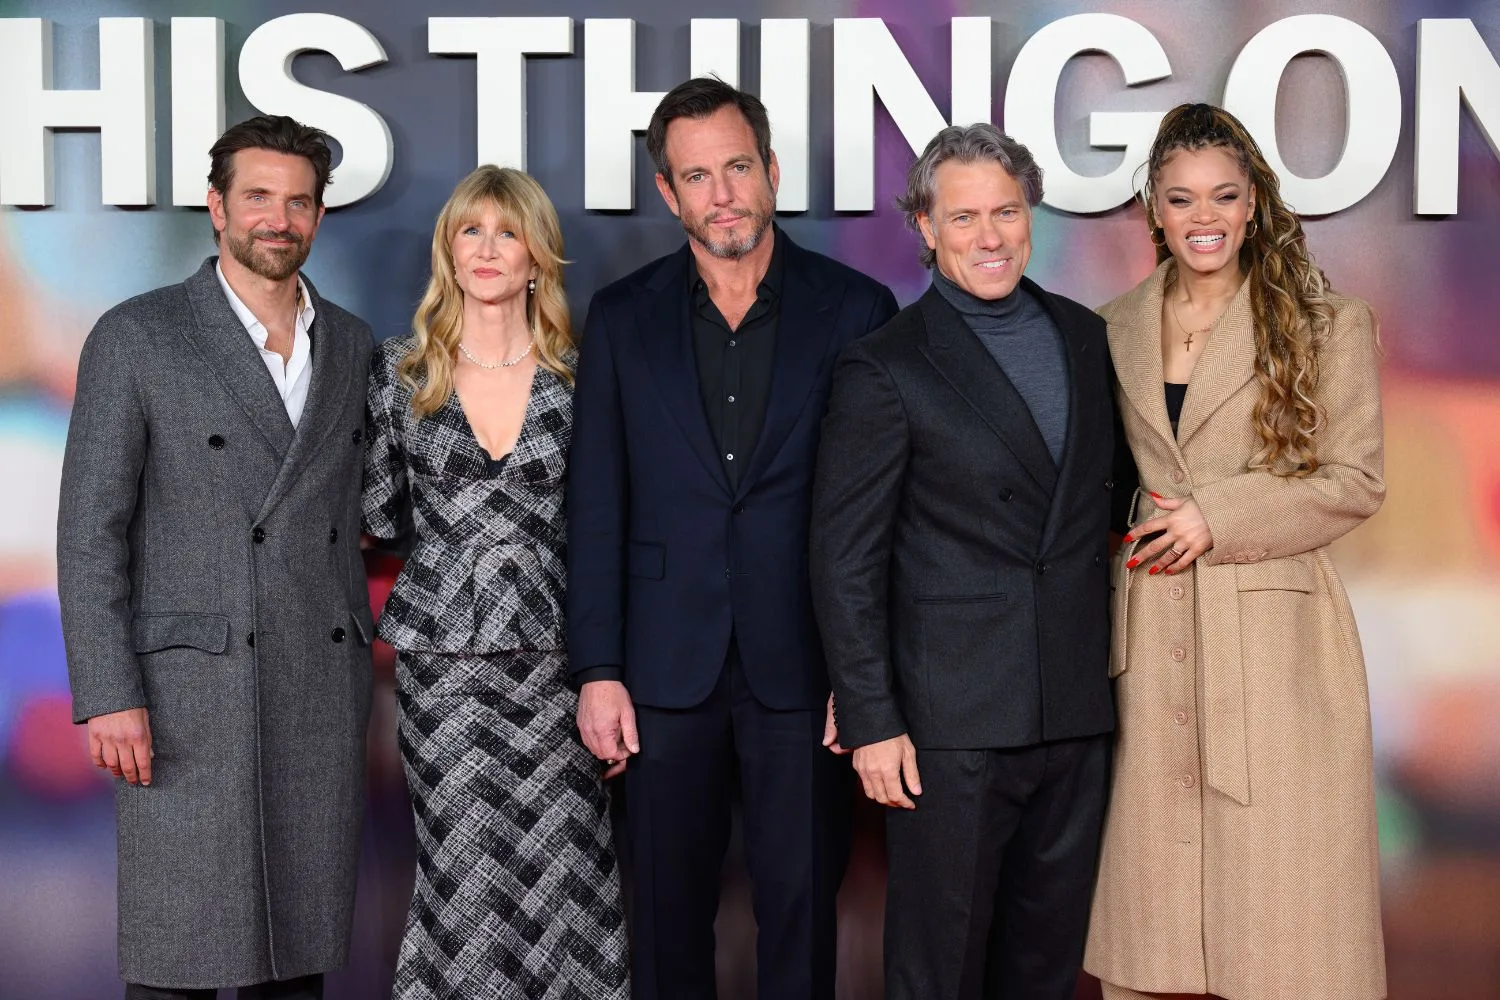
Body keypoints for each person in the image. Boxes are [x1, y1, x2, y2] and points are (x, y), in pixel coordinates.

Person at [567, 76, 899, 999]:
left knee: (802, 915)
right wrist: (597, 668)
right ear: (669, 196)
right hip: (662, 672)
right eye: (698, 176)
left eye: (739, 167)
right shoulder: (623, 318)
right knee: (668, 925)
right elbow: (596, 504)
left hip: (807, 671)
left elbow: (882, 514)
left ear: (772, 171)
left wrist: (862, 678)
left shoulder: (858, 310)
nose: (724, 194)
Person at [56, 115, 374, 999]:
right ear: (216, 207)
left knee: (297, 963)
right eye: (258, 197)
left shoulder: (352, 344)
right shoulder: (137, 334)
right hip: (186, 695)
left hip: (317, 682)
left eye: (298, 201)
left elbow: (369, 512)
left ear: (319, 215)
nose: (278, 218)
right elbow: (90, 532)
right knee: (176, 959)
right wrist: (109, 693)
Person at [1083, 103, 1387, 1000]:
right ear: (1156, 210)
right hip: (1146, 640)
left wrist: (1218, 513)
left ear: (1254, 202)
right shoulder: (1109, 326)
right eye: (1181, 199)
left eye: (1223, 195)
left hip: (1278, 648)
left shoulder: (1330, 322)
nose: (1203, 217)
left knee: (1289, 931)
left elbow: (1355, 481)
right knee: (1150, 931)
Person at [809, 123, 1117, 1000]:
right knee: (937, 972)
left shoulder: (1084, 337)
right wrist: (870, 717)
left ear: (1032, 215)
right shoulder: (886, 365)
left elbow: (1106, 504)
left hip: (1073, 711)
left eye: (1007, 213)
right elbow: (845, 561)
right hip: (950, 726)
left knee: (1047, 974)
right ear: (925, 227)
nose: (990, 236)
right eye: (965, 217)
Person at [362, 165, 629, 999]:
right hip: (444, 668)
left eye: (505, 231)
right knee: (463, 873)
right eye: (469, 231)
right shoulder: (402, 374)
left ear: (536, 255)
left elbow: (608, 524)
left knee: (568, 871)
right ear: (449, 249)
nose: (486, 248)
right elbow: (381, 513)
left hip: (558, 664)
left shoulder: (584, 380)